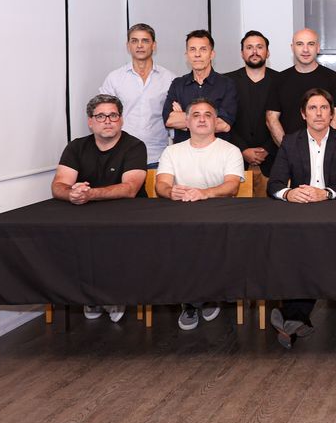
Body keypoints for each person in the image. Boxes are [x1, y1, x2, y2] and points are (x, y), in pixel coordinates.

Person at [265, 88, 336, 348]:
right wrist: (289, 193)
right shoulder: (290, 142)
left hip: (334, 213)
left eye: (324, 108)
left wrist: (325, 193)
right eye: (312, 108)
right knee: (297, 251)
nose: (318, 113)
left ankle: (292, 317)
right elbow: (274, 184)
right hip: (300, 213)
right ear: (303, 114)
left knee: (312, 252)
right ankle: (296, 320)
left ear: (332, 114)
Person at [51, 94, 148, 323]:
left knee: (113, 242)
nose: (107, 121)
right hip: (86, 215)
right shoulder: (76, 146)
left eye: (113, 115)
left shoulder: (135, 146)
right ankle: (91, 296)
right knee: (67, 241)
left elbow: (130, 188)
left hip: (128, 215)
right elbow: (58, 185)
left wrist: (90, 194)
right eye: (101, 116)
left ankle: (114, 295)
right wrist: (72, 194)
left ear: (121, 119)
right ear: (90, 121)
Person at [155, 98, 245, 331]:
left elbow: (231, 186)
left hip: (220, 218)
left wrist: (204, 193)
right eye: (196, 115)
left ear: (216, 121)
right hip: (181, 218)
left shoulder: (230, 150)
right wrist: (170, 191)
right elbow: (161, 185)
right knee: (177, 243)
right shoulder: (172, 151)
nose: (202, 119)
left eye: (208, 115)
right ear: (186, 122)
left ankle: (206, 296)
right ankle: (193, 301)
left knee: (210, 243)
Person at [99, 23, 174, 167]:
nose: (139, 45)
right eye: (134, 41)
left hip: (158, 156)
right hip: (121, 156)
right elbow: (103, 116)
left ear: (154, 45)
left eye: (145, 40)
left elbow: (175, 119)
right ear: (128, 46)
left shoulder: (169, 79)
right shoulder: (114, 78)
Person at [266, 28, 336, 149]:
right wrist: (288, 149)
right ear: (292, 47)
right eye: (300, 44)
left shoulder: (333, 78)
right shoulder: (279, 79)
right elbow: (271, 118)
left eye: (311, 44)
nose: (305, 49)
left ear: (318, 48)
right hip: (290, 152)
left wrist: (322, 147)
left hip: (324, 151)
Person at [225, 30, 278, 198]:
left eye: (259, 47)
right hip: (234, 164)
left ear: (267, 52)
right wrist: (243, 149)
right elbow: (222, 121)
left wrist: (267, 149)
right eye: (249, 47)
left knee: (273, 212)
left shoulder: (281, 81)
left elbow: (285, 120)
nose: (254, 52)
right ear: (242, 53)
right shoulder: (227, 82)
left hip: (272, 163)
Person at [163, 29, 238, 146]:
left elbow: (224, 125)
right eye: (192, 49)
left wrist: (185, 118)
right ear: (187, 55)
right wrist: (210, 118)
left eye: (203, 49)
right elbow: (169, 120)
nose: (197, 54)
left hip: (217, 152)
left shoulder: (227, 84)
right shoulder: (177, 84)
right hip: (185, 153)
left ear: (212, 54)